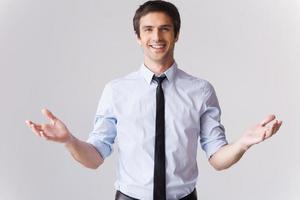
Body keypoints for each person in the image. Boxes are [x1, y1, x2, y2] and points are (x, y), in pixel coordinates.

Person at [25, 1, 282, 200]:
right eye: (148, 29)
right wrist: (69, 141)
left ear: (176, 34)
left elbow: (217, 158)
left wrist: (243, 144)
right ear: (138, 36)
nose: (156, 37)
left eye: (164, 29)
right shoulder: (116, 91)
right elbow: (95, 157)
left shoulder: (201, 91)